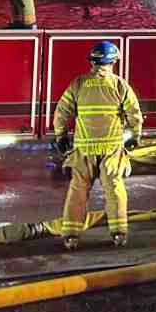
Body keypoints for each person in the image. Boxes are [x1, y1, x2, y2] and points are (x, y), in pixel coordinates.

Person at [54, 41, 143, 250]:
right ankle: (119, 233)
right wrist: (135, 135)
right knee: (114, 190)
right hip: (111, 150)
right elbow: (134, 113)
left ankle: (71, 235)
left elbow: (62, 111)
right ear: (112, 62)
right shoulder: (120, 85)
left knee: (77, 191)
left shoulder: (78, 84)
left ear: (92, 61)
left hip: (84, 150)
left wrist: (60, 135)